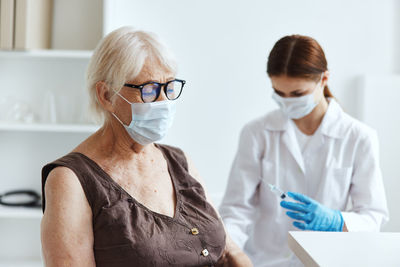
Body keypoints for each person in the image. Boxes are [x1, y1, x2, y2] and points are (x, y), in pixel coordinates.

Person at [40, 26, 251, 267]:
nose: (164, 102)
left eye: (169, 87)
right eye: (149, 90)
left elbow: (229, 252)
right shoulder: (70, 179)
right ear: (107, 95)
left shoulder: (179, 161)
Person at [219, 35, 389, 267]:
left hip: (326, 261)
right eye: (279, 93)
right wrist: (231, 255)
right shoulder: (256, 133)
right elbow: (236, 210)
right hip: (264, 262)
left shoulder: (358, 137)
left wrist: (337, 221)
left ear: (324, 79)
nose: (288, 102)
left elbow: (373, 216)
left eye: (298, 94)